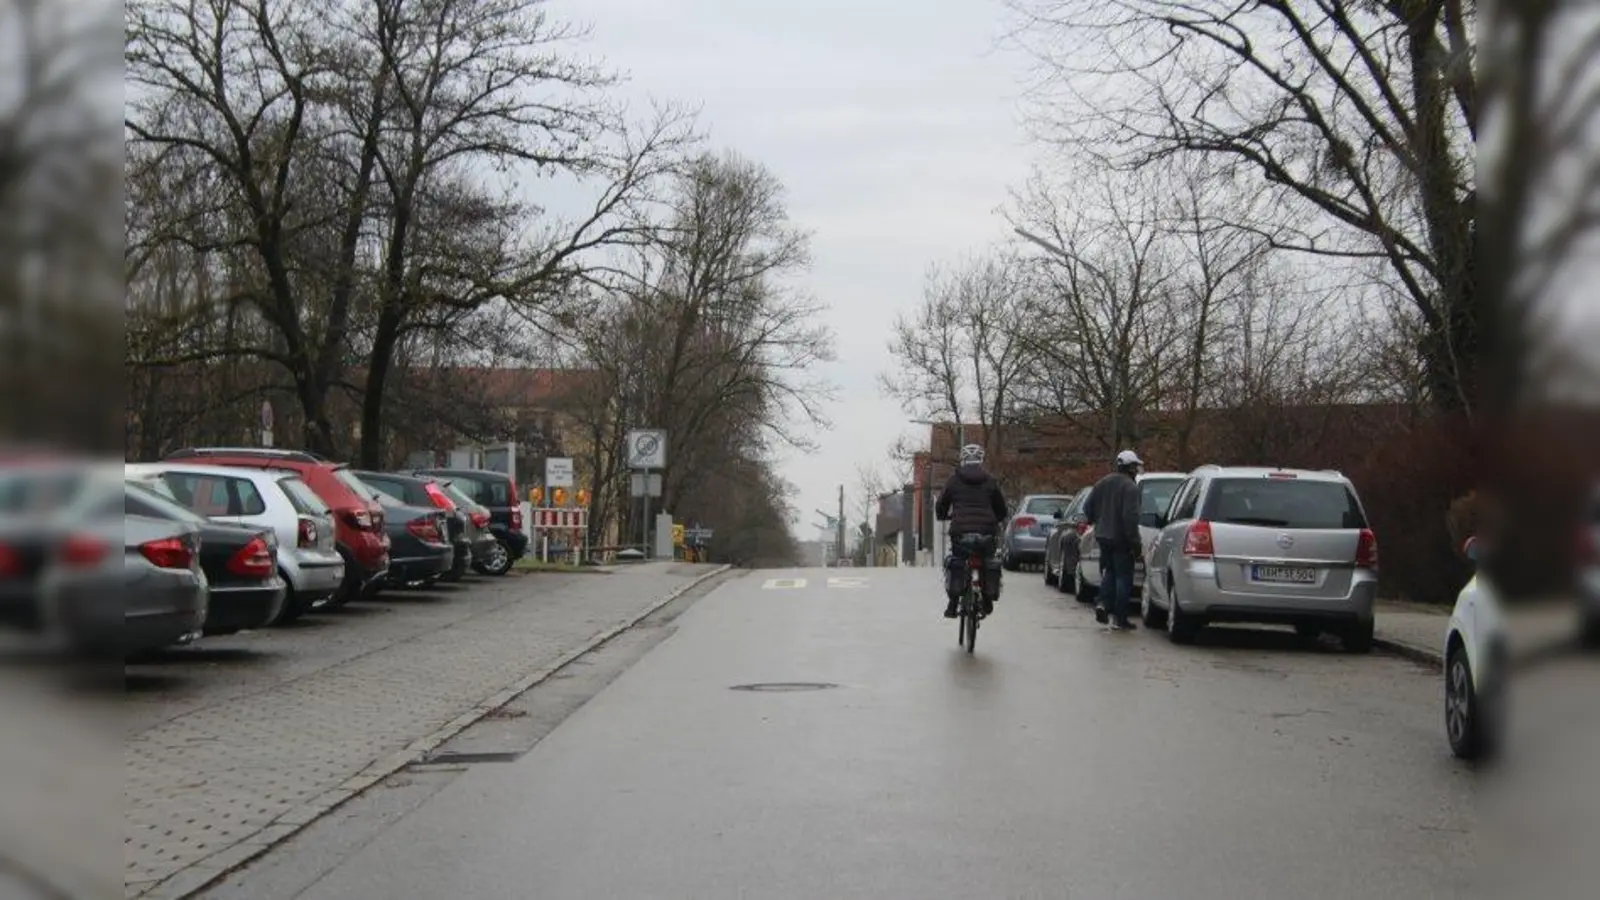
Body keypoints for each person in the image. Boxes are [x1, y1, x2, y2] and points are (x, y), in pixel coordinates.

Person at [934, 444, 1009, 619]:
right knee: (987, 560)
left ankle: (953, 604)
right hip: (986, 533)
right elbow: (1002, 509)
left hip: (961, 532)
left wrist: (943, 515)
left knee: (957, 561)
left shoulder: (954, 480)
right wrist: (995, 519)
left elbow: (942, 504)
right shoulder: (990, 480)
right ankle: (987, 598)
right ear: (981, 461)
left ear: (963, 460)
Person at [1083, 449, 1144, 631]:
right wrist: (1135, 543)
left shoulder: (1102, 483)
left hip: (1103, 537)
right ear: (1130, 468)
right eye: (1135, 466)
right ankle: (1120, 618)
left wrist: (1098, 521)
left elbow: (1088, 508)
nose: (1136, 470)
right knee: (1124, 578)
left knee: (1110, 572)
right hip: (1122, 539)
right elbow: (1130, 518)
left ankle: (1102, 603)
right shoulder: (1130, 488)